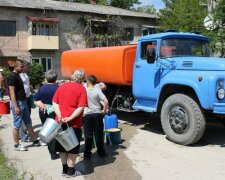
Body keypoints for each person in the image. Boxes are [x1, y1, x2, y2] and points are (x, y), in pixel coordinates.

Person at [52, 69, 87, 177]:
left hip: (60, 121)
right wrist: (70, 117)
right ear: (82, 78)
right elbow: (81, 107)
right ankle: (71, 172)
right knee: (73, 148)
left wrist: (60, 114)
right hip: (74, 123)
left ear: (72, 76)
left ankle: (64, 170)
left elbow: (54, 101)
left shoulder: (62, 86)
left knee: (62, 147)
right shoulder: (81, 88)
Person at [7, 59, 40, 151]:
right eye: (21, 67)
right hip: (17, 103)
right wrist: (16, 106)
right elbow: (12, 92)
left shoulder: (18, 75)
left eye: (23, 66)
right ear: (16, 66)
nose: (23, 68)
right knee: (17, 124)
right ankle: (16, 145)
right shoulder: (12, 77)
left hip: (23, 102)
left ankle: (35, 141)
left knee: (28, 122)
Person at [33, 70, 59, 160]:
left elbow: (35, 99)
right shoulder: (58, 88)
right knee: (57, 131)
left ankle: (52, 153)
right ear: (55, 78)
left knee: (48, 132)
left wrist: (42, 105)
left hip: (43, 112)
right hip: (55, 112)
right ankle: (57, 151)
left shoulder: (42, 88)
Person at [83, 75, 108, 159]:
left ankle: (87, 154)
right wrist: (104, 111)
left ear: (88, 81)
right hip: (97, 114)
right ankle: (101, 152)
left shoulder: (84, 90)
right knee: (99, 134)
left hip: (87, 115)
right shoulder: (97, 91)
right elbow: (106, 101)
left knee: (88, 135)